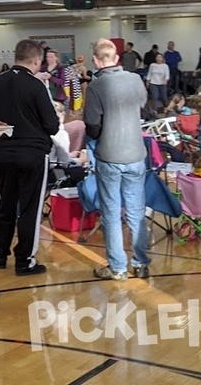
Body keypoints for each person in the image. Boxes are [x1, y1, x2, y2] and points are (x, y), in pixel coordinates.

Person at [0, 39, 59, 277]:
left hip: (4, 153)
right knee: (29, 208)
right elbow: (52, 125)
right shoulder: (36, 86)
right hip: (33, 154)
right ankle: (24, 260)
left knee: (5, 204)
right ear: (36, 61)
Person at [84, 38, 151, 281]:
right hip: (135, 154)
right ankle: (141, 263)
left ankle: (118, 267)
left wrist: (104, 133)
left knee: (111, 213)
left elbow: (91, 124)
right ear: (117, 58)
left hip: (109, 155)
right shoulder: (135, 79)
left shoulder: (96, 86)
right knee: (136, 211)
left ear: (95, 60)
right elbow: (143, 107)